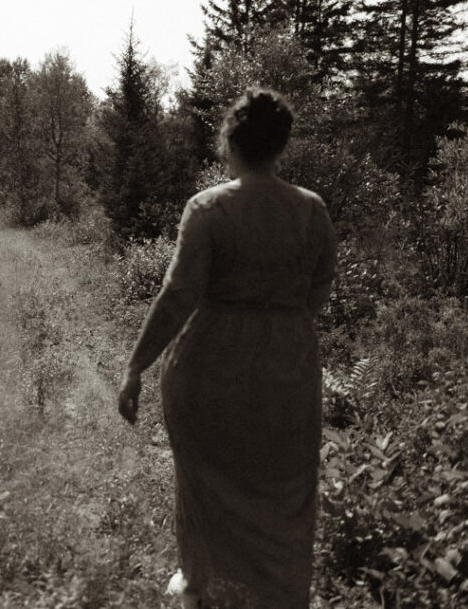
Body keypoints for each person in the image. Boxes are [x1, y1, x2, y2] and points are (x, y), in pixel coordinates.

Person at [117, 88, 336, 608]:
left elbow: (178, 296)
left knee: (204, 482)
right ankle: (278, 594)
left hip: (211, 365)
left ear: (229, 142)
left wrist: (136, 366)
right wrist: (280, 326)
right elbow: (320, 289)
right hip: (290, 368)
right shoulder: (311, 210)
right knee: (285, 486)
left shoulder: (209, 209)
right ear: (281, 145)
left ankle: (200, 586)